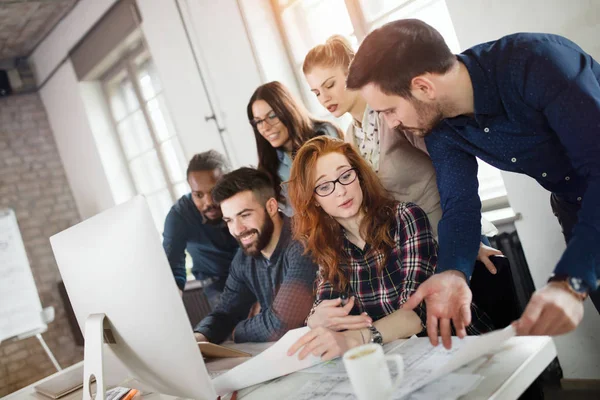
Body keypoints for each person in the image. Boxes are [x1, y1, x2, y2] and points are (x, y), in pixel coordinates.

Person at [346, 19, 599, 347]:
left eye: (390, 110)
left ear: (424, 87)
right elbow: (460, 204)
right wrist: (453, 271)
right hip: (576, 209)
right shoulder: (440, 127)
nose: (391, 124)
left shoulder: (538, 63)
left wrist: (569, 282)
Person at [303, 35, 502, 269]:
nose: (324, 98)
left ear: (352, 73)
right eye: (316, 92)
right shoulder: (349, 137)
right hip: (416, 254)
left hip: (457, 240)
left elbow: (454, 166)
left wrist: (467, 240)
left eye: (329, 85)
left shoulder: (396, 114)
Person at [285, 136, 493, 361]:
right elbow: (329, 310)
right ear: (314, 199)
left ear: (359, 176)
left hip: (462, 347)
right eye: (324, 186)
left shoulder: (406, 217)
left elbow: (417, 312)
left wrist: (356, 338)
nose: (340, 191)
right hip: (404, 360)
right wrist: (316, 319)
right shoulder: (329, 247)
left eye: (345, 176)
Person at [193, 167, 318, 343]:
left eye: (244, 215)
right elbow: (224, 312)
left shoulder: (302, 242)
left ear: (271, 207)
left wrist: (237, 330)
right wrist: (199, 337)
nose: (237, 230)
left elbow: (281, 324)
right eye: (229, 220)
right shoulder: (244, 258)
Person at [247, 81, 342, 216]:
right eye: (259, 121)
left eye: (272, 116)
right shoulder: (269, 167)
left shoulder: (325, 134)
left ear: (288, 110)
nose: (265, 127)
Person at [163, 151, 238, 308]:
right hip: (217, 284)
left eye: (215, 191)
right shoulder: (179, 215)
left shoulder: (243, 199)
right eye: (198, 194)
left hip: (257, 271)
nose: (209, 202)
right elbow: (173, 262)